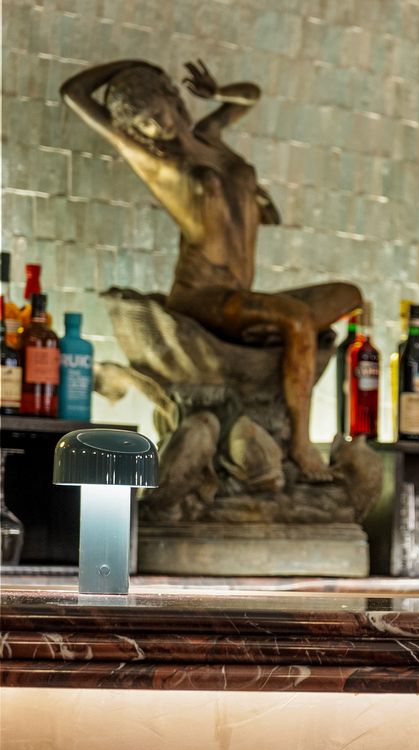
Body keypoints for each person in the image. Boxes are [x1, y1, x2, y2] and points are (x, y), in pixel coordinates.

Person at [62, 59, 359, 480]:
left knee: (349, 295)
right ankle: (299, 444)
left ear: (172, 96)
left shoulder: (210, 136)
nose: (155, 127)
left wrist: (217, 91)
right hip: (202, 295)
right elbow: (74, 93)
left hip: (238, 293)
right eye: (142, 124)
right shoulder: (154, 160)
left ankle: (266, 333)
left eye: (157, 111)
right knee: (296, 321)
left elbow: (250, 94)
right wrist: (132, 65)